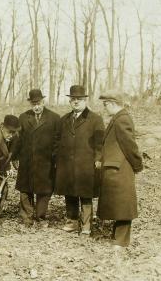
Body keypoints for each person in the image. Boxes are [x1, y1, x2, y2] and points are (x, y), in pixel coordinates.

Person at [55, 85, 105, 234]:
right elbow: (56, 141)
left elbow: (100, 142)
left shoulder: (95, 119)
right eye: (73, 99)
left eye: (79, 99)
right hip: (67, 164)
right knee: (69, 193)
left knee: (85, 195)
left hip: (86, 165)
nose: (76, 102)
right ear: (70, 101)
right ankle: (72, 221)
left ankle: (86, 225)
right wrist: (57, 158)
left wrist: (98, 159)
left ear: (85, 101)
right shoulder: (64, 119)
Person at [97, 90, 143, 249]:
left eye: (105, 105)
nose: (104, 108)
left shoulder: (122, 119)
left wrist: (137, 165)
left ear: (112, 103)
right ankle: (117, 237)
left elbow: (129, 145)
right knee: (119, 203)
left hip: (121, 168)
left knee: (123, 204)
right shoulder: (118, 119)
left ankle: (121, 241)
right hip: (116, 167)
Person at [12, 89, 60, 227]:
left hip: (46, 161)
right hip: (27, 160)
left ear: (43, 102)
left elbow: (58, 141)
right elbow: (17, 139)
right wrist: (15, 157)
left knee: (44, 190)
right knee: (25, 189)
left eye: (38, 103)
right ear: (30, 104)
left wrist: (56, 159)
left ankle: (40, 216)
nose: (36, 107)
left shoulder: (55, 118)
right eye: (33, 104)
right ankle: (26, 217)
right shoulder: (23, 117)